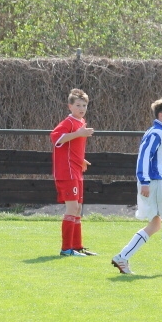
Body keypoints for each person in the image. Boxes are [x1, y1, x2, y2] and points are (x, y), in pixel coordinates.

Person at [112, 97, 162, 276]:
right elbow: (143, 157)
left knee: (156, 224)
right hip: (156, 184)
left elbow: (154, 160)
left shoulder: (159, 132)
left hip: (157, 180)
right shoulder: (157, 133)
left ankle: (122, 257)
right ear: (161, 115)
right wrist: (145, 181)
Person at [50, 88, 95, 257]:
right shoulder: (69, 123)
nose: (81, 108)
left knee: (78, 208)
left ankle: (76, 246)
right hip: (66, 172)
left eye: (84, 105)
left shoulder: (80, 122)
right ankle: (66, 249)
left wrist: (81, 160)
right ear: (70, 106)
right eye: (78, 105)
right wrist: (78, 133)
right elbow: (55, 138)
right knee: (72, 207)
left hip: (76, 170)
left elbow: (71, 148)